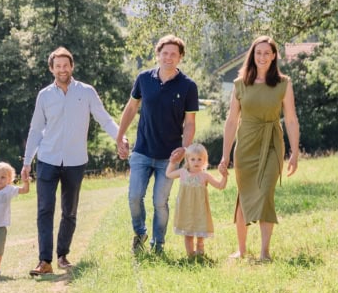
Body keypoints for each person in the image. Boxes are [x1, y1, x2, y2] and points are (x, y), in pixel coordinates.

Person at [22, 47, 123, 275]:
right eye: (57, 66)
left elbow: (104, 118)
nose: (62, 69)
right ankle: (44, 261)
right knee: (44, 210)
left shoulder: (86, 92)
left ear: (72, 66)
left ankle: (62, 256)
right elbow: (36, 129)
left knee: (69, 212)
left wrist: (120, 137)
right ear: (51, 69)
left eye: (65, 65)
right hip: (47, 159)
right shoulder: (45, 95)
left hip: (76, 161)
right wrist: (27, 161)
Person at [218, 36, 301, 262]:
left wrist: (295, 151)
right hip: (245, 145)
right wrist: (225, 155)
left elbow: (291, 119)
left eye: (267, 53)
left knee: (265, 192)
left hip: (272, 142)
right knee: (244, 194)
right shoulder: (240, 84)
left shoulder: (284, 83)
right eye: (258, 53)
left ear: (274, 56)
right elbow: (232, 121)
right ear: (252, 56)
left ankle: (265, 252)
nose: (262, 57)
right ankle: (241, 250)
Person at [116, 35, 199, 254]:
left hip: (169, 157)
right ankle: (140, 233)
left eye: (173, 54)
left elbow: (190, 123)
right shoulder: (144, 79)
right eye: (165, 53)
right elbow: (131, 108)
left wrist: (184, 147)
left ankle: (158, 244)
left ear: (180, 57)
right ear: (158, 54)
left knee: (160, 202)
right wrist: (120, 135)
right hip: (142, 151)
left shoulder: (188, 86)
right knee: (134, 197)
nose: (168, 57)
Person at [165, 143, 228, 258]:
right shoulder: (183, 173)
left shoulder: (204, 176)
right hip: (186, 209)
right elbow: (168, 174)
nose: (196, 162)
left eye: (200, 159)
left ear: (204, 161)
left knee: (200, 232)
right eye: (192, 159)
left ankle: (200, 252)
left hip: (200, 209)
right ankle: (190, 255)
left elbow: (220, 186)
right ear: (187, 160)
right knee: (188, 234)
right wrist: (172, 162)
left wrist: (224, 176)